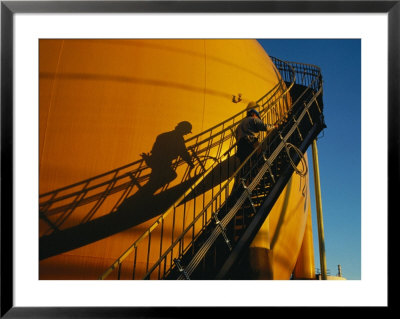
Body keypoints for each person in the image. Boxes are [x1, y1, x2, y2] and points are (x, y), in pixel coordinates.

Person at [141, 121, 195, 194]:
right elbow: (183, 152)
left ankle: (144, 194)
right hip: (163, 162)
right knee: (170, 175)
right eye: (186, 132)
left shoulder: (163, 135)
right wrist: (190, 162)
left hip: (155, 161)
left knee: (154, 180)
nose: (186, 134)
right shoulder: (178, 138)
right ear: (183, 129)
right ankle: (145, 194)